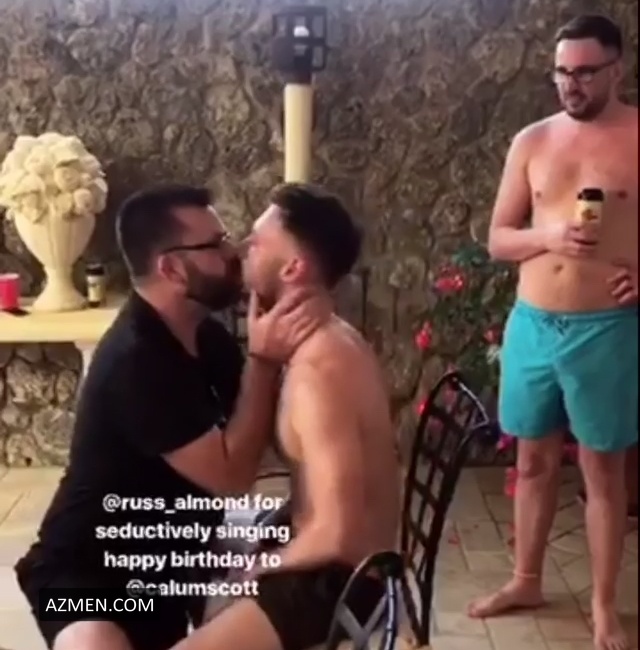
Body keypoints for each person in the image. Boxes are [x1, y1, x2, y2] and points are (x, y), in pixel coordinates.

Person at [14, 185, 322, 650]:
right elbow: (232, 477)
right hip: (85, 575)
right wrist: (263, 361)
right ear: (172, 269)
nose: (235, 253)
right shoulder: (136, 360)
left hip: (162, 567)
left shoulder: (207, 338)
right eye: (215, 244)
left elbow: (260, 435)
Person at [169, 183, 402, 650]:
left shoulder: (318, 371)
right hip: (336, 563)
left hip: (339, 583)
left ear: (293, 268)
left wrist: (262, 567)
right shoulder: (333, 337)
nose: (242, 250)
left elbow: (336, 532)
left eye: (256, 243)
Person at [467, 14, 638, 650]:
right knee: (532, 460)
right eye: (562, 71)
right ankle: (526, 580)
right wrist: (548, 236)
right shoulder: (532, 141)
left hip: (607, 327)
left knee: (603, 470)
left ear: (617, 69)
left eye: (585, 72)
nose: (571, 83)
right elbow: (497, 239)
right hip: (533, 323)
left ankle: (603, 606)